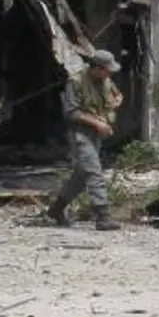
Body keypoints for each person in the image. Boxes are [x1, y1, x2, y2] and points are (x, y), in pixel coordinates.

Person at [46, 50, 123, 231]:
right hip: (80, 134)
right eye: (106, 70)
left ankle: (56, 209)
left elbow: (116, 95)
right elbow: (71, 112)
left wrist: (117, 101)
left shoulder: (105, 81)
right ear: (96, 68)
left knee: (81, 176)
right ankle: (103, 215)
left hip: (97, 134)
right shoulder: (76, 82)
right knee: (94, 171)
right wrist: (98, 124)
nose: (109, 74)